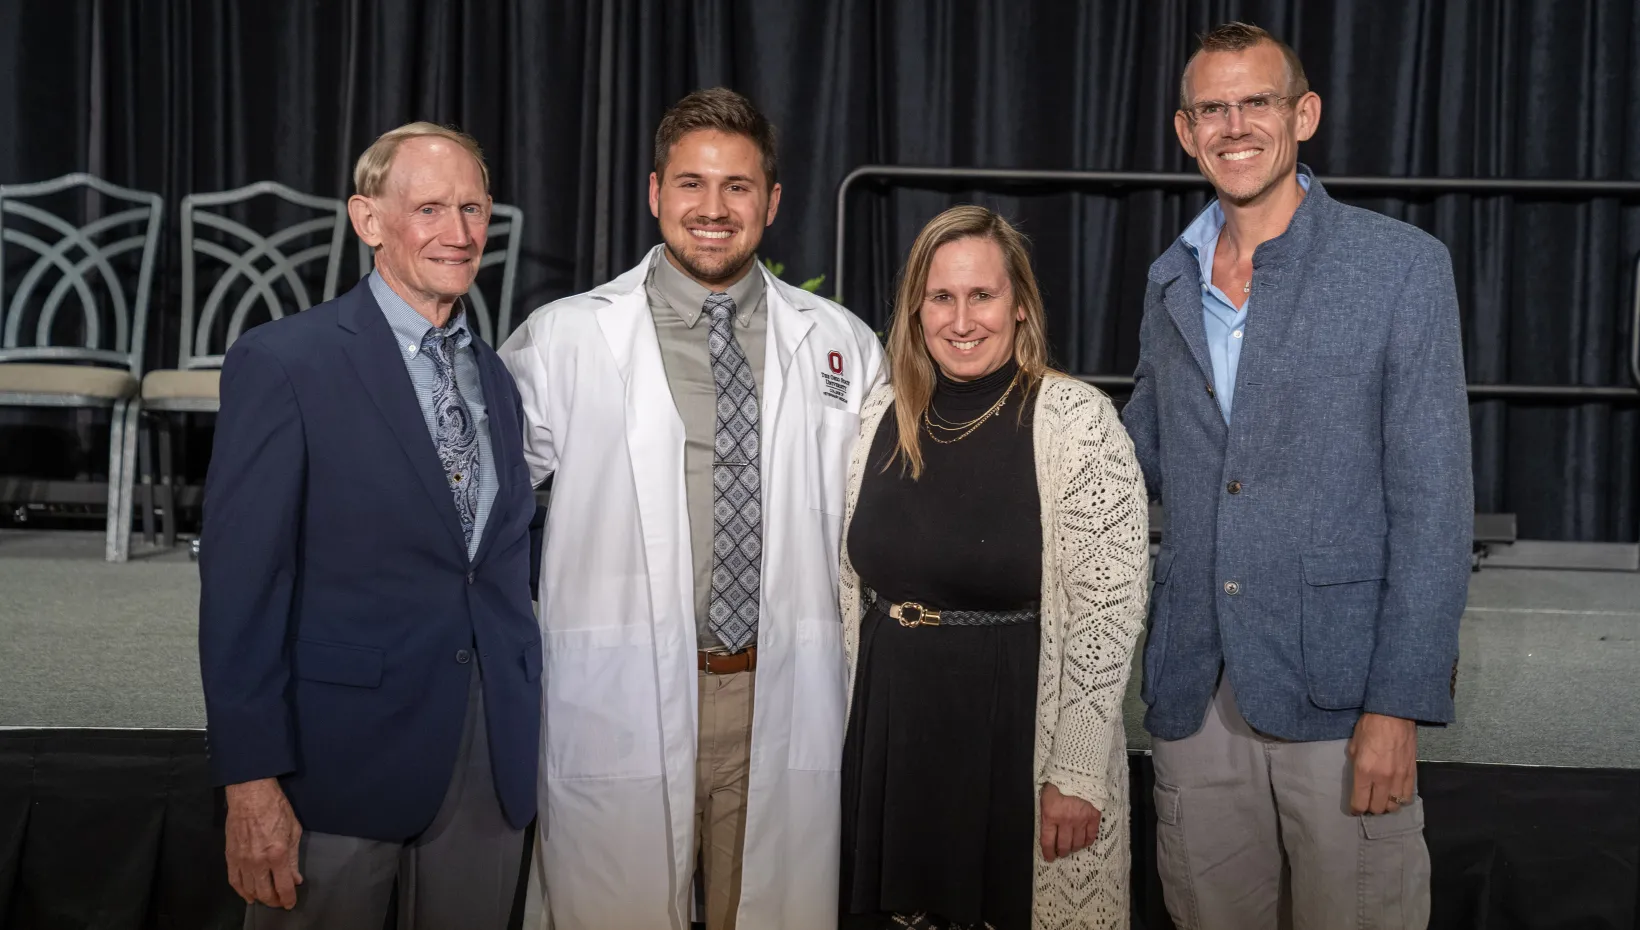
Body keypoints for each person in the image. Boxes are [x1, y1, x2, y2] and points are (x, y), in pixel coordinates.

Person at [499, 87, 885, 930]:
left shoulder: (840, 345)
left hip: (779, 696)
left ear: (773, 202)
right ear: (654, 193)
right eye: (691, 184)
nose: (713, 209)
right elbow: (481, 509)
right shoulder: (566, 339)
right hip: (621, 695)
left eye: (738, 187)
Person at [1122, 22, 1473, 928]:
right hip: (1197, 693)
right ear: (1185, 130)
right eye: (1213, 108)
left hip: (1345, 698)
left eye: (1257, 102)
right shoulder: (1170, 282)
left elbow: (1435, 507)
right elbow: (1131, 465)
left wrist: (1399, 705)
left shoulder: (1401, 269)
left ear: (1303, 114)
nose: (1235, 125)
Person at [198, 122, 541, 929]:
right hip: (335, 767)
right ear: (368, 219)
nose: (457, 234)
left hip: (487, 765)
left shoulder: (498, 375)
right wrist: (250, 783)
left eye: (472, 209)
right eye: (428, 209)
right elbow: (240, 592)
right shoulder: (285, 362)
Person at [836, 205, 1150, 930]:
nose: (962, 318)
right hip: (892, 733)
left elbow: (1110, 607)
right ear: (917, 309)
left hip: (1012, 740)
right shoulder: (879, 416)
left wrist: (1073, 770)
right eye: (941, 296)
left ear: (1019, 306)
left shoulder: (1075, 420)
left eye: (983, 295)